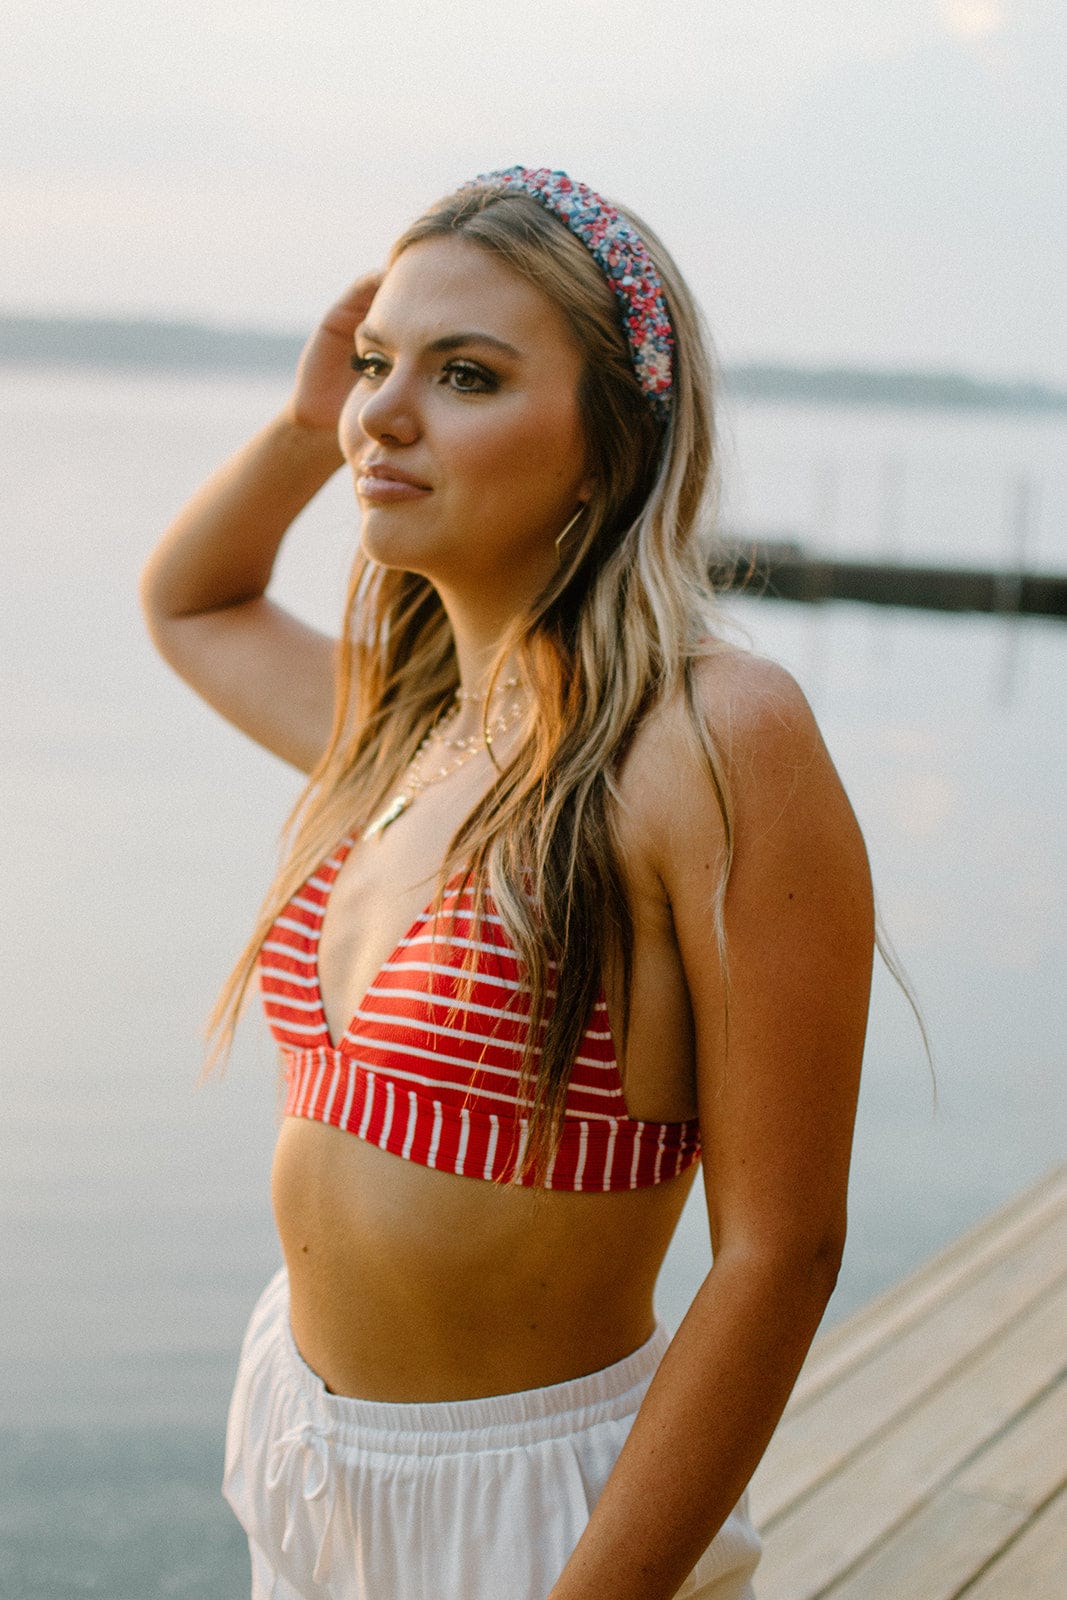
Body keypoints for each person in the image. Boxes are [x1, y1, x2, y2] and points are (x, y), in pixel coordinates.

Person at [140, 166, 873, 1600]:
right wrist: (305, 427)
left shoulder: (709, 739)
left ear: (609, 447)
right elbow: (191, 601)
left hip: (534, 1512)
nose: (383, 416)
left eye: (464, 375)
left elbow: (781, 1252)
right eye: (373, 368)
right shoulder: (408, 730)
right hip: (304, 1451)